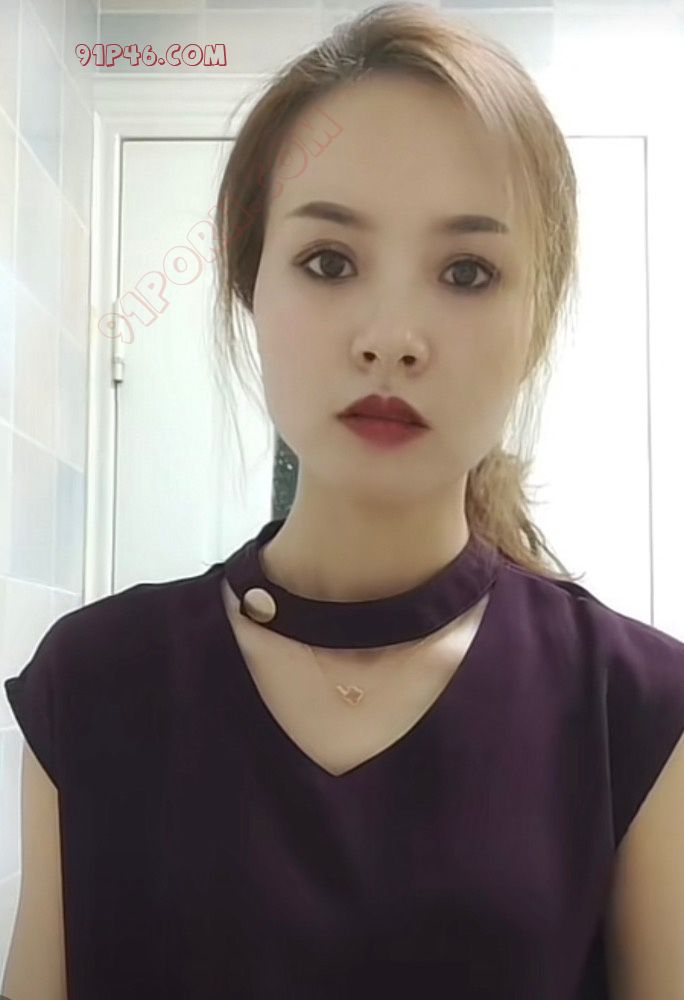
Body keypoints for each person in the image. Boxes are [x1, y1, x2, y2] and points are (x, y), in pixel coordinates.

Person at [4, 4, 684, 998]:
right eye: (329, 261)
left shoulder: (637, 708)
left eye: (467, 271)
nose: (391, 337)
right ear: (251, 287)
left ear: (534, 325)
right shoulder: (92, 685)